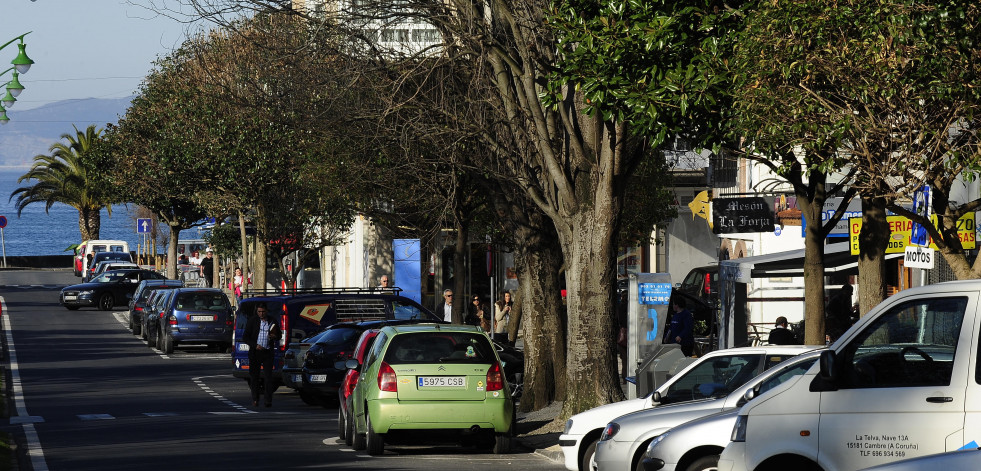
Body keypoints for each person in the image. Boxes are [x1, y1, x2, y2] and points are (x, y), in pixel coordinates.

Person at [243, 303, 281, 407]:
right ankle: (255, 399)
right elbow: (245, 337)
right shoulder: (253, 321)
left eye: (263, 312)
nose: (261, 314)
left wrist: (274, 336)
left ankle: (268, 400)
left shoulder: (272, 320)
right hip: (255, 352)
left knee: (268, 377)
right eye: (259, 312)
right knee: (254, 377)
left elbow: (279, 335)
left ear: (267, 311)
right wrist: (255, 345)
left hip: (268, 352)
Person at [616, 290, 629, 383]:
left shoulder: (619, 307)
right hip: (628, 333)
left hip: (621, 334)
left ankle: (624, 377)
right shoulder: (630, 308)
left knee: (623, 358)